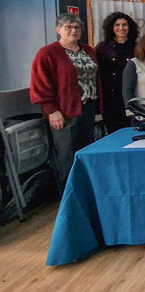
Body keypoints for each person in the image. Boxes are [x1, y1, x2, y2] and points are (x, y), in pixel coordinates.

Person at [30, 14, 102, 192]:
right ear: (58, 30)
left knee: (85, 151)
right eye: (68, 27)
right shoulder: (48, 52)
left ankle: (85, 192)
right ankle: (68, 195)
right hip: (64, 112)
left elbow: (96, 78)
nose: (73, 30)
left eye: (77, 27)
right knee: (66, 155)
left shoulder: (88, 50)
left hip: (88, 107)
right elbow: (39, 84)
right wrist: (51, 110)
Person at [95, 12, 139, 133]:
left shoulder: (138, 47)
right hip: (111, 98)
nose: (121, 28)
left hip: (132, 97)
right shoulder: (102, 48)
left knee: (134, 131)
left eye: (124, 25)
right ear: (111, 28)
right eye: (117, 25)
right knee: (114, 132)